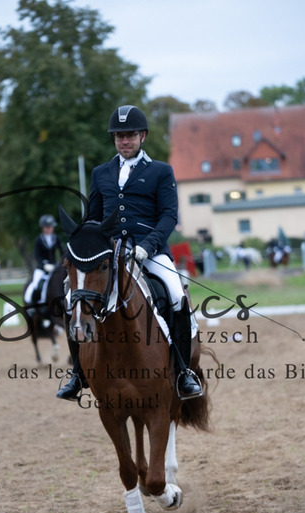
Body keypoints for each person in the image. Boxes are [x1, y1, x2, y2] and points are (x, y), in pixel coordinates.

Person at [57, 104, 203, 401]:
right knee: (71, 295)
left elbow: (169, 216)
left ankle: (183, 372)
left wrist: (147, 247)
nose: (124, 141)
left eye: (130, 135)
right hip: (109, 254)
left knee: (175, 295)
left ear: (142, 136)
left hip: (150, 251)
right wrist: (86, 245)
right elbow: (94, 217)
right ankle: (78, 373)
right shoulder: (101, 173)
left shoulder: (161, 171)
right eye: (119, 136)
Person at [24, 214, 64, 310]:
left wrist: (59, 264)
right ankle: (33, 306)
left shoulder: (56, 238)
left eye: (51, 227)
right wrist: (44, 265)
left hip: (54, 267)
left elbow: (62, 252)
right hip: (42, 268)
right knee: (36, 284)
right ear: (43, 228)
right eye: (47, 227)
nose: (50, 229)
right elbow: (37, 256)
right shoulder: (39, 239)